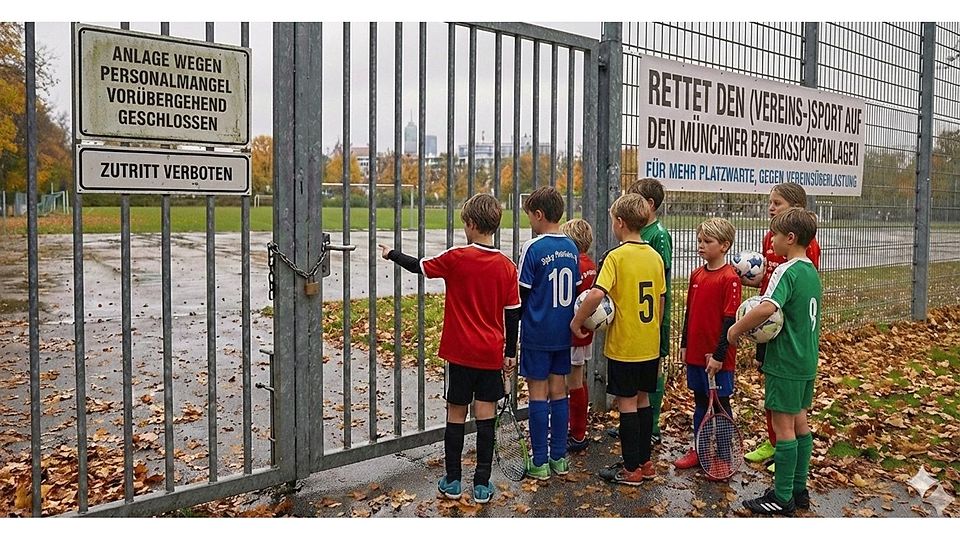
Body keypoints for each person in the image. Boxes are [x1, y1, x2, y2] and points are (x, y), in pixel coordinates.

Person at [379, 193, 520, 504]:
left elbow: (419, 267)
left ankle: (453, 480)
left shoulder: (457, 257)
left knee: (455, 414)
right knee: (486, 416)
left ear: (470, 224)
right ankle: (482, 484)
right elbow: (513, 314)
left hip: (459, 354)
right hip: (489, 354)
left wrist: (391, 254)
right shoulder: (507, 266)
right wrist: (510, 353)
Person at [728, 208, 823, 515]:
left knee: (783, 428)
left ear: (790, 238)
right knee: (800, 424)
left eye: (776, 236)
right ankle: (798, 489)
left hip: (785, 361)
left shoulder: (788, 270)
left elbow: (767, 308)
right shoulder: (811, 272)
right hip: (807, 360)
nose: (772, 243)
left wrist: (736, 329)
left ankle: (781, 498)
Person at [572, 193, 665, 485]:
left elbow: (597, 293)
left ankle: (630, 469)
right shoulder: (654, 256)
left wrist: (577, 321)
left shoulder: (616, 256)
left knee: (626, 404)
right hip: (649, 345)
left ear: (620, 223)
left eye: (613, 220)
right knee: (643, 402)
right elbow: (660, 300)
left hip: (625, 346)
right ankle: (646, 463)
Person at [741, 182, 821, 472]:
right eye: (770, 202)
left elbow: (796, 287)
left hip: (786, 328)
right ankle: (773, 441)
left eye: (777, 203)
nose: (771, 207)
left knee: (787, 402)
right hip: (768, 324)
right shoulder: (768, 239)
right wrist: (748, 281)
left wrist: (738, 328)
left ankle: (783, 452)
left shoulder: (807, 249)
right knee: (771, 386)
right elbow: (767, 282)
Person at [518, 186, 581, 480]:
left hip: (537, 333)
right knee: (560, 392)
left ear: (539, 215)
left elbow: (521, 295)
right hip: (562, 333)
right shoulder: (571, 247)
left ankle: (540, 461)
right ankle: (560, 458)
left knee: (537, 395)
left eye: (530, 216)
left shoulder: (533, 247)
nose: (530, 221)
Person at [673, 218, 741, 478]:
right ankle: (700, 450)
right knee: (700, 402)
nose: (701, 245)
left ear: (724, 245)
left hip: (718, 358)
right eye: (699, 240)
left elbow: (730, 319)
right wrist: (684, 344)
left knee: (721, 404)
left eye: (707, 242)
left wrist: (719, 355)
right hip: (696, 355)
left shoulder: (730, 278)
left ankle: (723, 456)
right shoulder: (696, 275)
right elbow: (690, 311)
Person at [608, 178, 673, 445]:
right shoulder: (637, 238)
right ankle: (634, 427)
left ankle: (652, 427)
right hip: (635, 320)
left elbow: (662, 283)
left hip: (652, 321)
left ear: (648, 205)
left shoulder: (658, 236)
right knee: (638, 386)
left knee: (651, 377)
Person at [559, 218, 597, 453]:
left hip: (574, 330)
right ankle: (579, 427)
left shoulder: (575, 265)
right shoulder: (591, 263)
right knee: (580, 378)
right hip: (587, 330)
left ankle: (577, 433)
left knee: (571, 381)